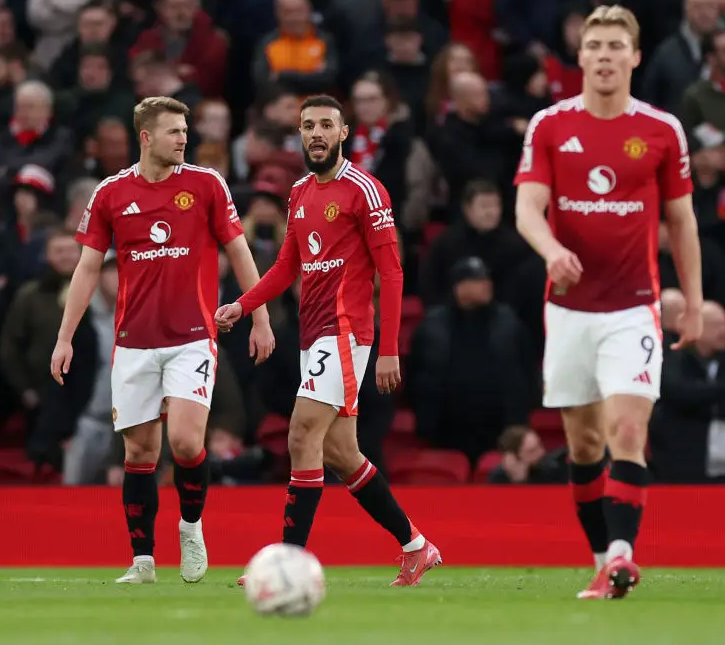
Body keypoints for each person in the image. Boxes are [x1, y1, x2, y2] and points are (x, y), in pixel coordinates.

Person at [514, 5, 704, 600]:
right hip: (569, 309)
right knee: (583, 445)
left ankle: (622, 555)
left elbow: (682, 221)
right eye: (593, 44)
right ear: (580, 55)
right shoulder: (548, 125)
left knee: (627, 428)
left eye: (615, 45)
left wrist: (694, 301)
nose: (603, 54)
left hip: (633, 307)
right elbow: (526, 209)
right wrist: (550, 250)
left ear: (635, 56)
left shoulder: (661, 129)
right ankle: (603, 559)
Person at [215, 94, 441, 587]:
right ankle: (416, 546)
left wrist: (388, 349)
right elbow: (286, 266)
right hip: (313, 334)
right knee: (341, 453)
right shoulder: (298, 193)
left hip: (345, 332)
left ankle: (287, 562)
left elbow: (393, 272)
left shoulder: (364, 189)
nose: (315, 133)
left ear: (343, 133)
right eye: (308, 125)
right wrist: (244, 304)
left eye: (326, 125)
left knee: (301, 434)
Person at [50, 96, 276, 585]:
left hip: (193, 336)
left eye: (185, 130)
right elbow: (88, 267)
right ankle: (143, 561)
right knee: (139, 454)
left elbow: (238, 250)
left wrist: (258, 316)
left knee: (186, 441)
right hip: (133, 342)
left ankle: (191, 527)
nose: (184, 139)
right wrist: (64, 337)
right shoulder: (110, 194)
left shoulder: (206, 184)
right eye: (175, 131)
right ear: (147, 137)